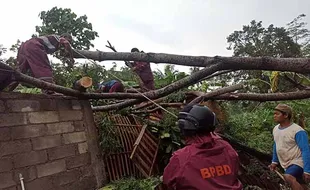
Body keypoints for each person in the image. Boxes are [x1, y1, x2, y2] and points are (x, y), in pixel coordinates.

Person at [163, 104, 243, 190]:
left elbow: (167, 182)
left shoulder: (182, 157)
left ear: (184, 127)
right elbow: (234, 172)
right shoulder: (227, 148)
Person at [269, 103, 310, 190]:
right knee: (301, 185)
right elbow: (276, 144)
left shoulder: (297, 131)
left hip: (298, 162)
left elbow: (305, 150)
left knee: (288, 177)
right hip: (286, 163)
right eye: (274, 114)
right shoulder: (276, 129)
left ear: (286, 115)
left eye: (277, 114)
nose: (274, 116)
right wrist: (274, 161)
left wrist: (307, 170)